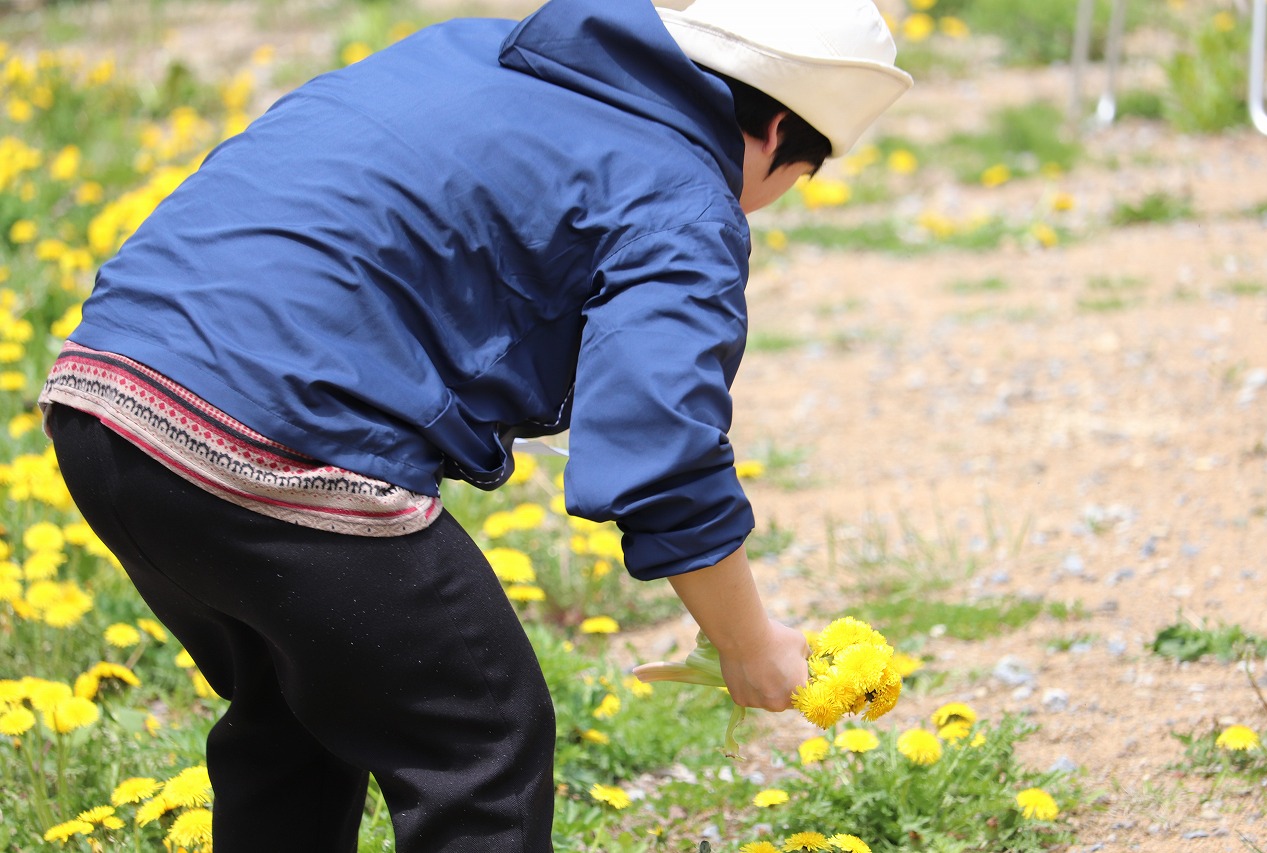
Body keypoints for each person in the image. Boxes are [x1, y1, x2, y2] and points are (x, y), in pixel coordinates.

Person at [39, 0, 911, 849]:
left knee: (301, 713)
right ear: (777, 135)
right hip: (274, 438)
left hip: (104, 392)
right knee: (481, 740)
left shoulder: (471, 52)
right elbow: (662, 448)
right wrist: (748, 642)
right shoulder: (683, 189)